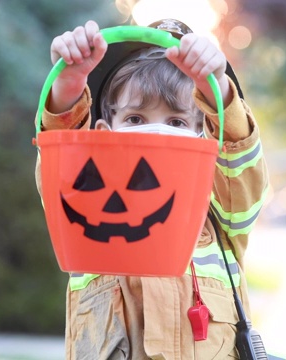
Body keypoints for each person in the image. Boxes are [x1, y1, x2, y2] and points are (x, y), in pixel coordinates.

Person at [35, 18, 269, 360]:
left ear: (204, 140)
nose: (154, 134)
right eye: (135, 119)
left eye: (176, 122)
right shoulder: (91, 213)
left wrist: (217, 85)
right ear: (103, 133)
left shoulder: (218, 217)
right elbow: (63, 166)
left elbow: (240, 167)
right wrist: (68, 86)